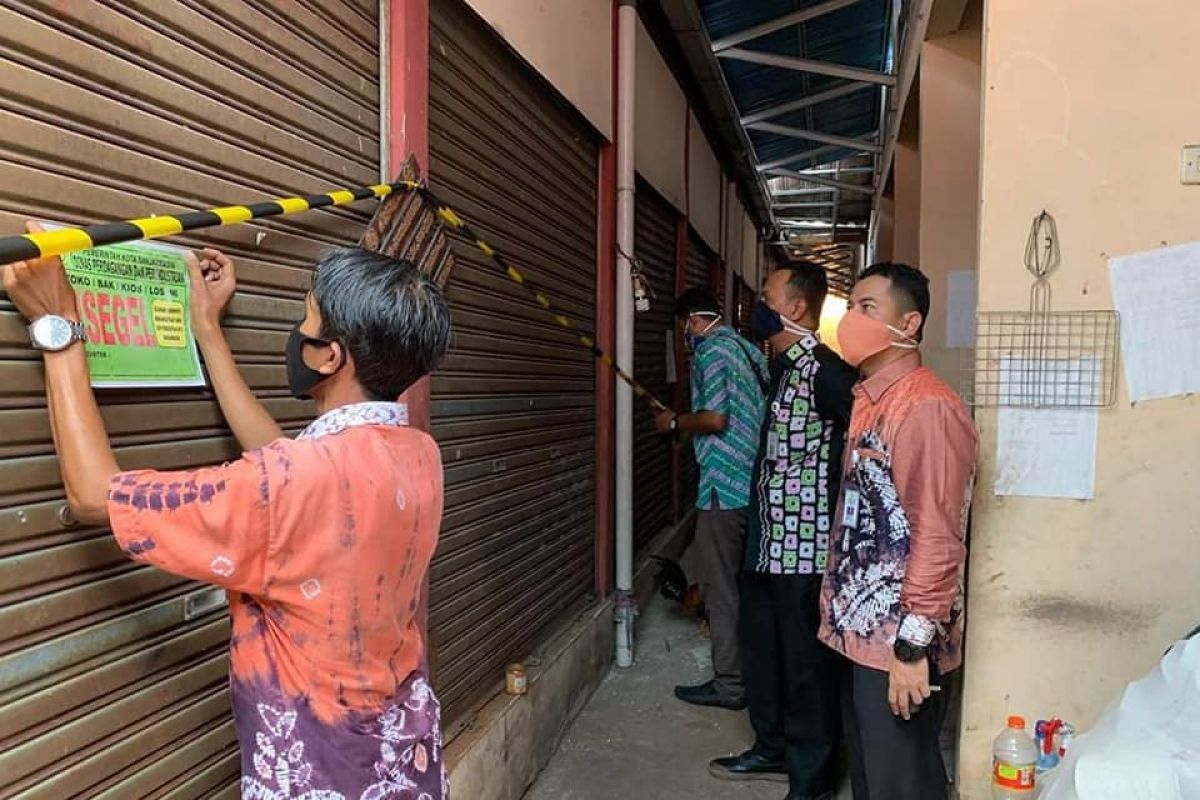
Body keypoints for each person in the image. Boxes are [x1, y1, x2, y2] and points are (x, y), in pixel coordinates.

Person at [2, 225, 453, 800]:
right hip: (405, 761)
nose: (297, 334)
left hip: (320, 776)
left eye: (306, 320)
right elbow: (288, 470)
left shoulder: (294, 485)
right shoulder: (418, 454)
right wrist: (208, 330)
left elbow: (94, 494)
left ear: (329, 356)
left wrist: (59, 327)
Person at [819, 262, 978, 800]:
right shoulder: (873, 399)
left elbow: (937, 535)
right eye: (851, 308)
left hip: (899, 645)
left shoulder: (927, 407)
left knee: (902, 784)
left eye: (868, 308)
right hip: (864, 639)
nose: (851, 321)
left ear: (908, 324)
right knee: (874, 778)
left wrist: (912, 652)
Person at [710, 263, 856, 800]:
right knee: (764, 654)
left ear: (794, 308)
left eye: (766, 295)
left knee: (805, 669)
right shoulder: (781, 369)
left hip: (805, 552)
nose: (757, 305)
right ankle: (770, 746)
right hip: (767, 544)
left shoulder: (827, 373)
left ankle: (812, 779)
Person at [654, 287, 767, 710]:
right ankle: (751, 673)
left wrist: (673, 423)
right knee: (743, 585)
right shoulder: (747, 349)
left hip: (724, 486)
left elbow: (716, 418)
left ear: (691, 320)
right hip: (753, 483)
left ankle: (730, 685)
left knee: (721, 590)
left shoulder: (710, 353)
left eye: (684, 325)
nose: (685, 333)